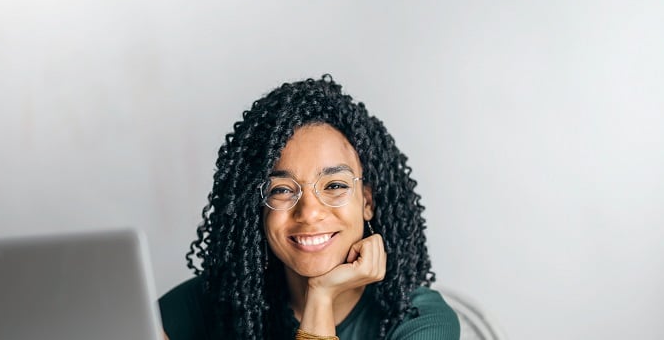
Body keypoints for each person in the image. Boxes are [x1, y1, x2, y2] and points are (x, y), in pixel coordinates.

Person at [158, 75, 459, 339]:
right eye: (283, 190)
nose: (310, 212)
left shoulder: (422, 321)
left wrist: (321, 294)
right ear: (257, 208)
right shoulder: (220, 299)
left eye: (335, 185)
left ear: (367, 201)